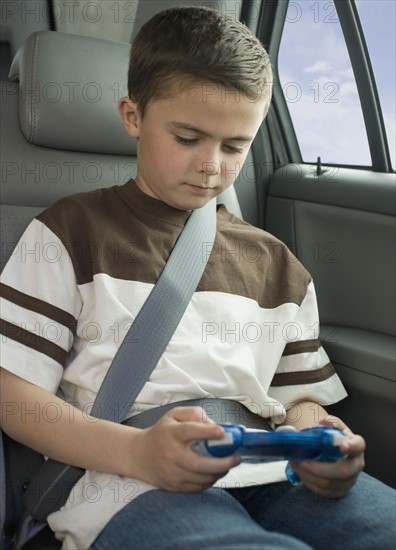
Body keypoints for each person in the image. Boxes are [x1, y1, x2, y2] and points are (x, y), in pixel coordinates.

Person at [0, 6, 395, 550]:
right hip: (125, 479)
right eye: (187, 137)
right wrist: (135, 452)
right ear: (133, 116)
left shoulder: (279, 266)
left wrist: (317, 435)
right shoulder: (69, 232)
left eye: (235, 147)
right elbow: (12, 394)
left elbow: (300, 399)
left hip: (274, 471)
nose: (212, 164)